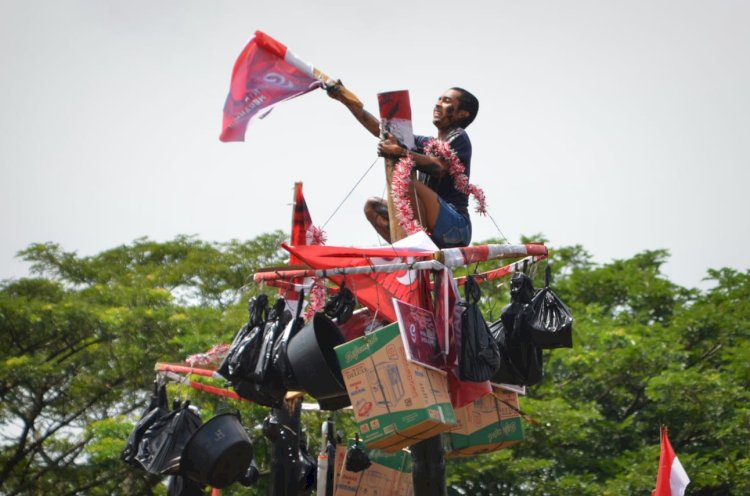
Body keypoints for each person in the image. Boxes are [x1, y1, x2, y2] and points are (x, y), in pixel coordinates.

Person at [328, 83, 479, 248]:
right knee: (372, 207)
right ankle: (409, 254)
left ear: (463, 114)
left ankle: (420, 250)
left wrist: (400, 152)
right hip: (432, 228)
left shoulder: (459, 137)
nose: (438, 104)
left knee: (405, 184)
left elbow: (440, 168)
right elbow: (381, 130)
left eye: (446, 101)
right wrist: (346, 100)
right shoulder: (428, 143)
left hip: (456, 228)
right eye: (439, 99)